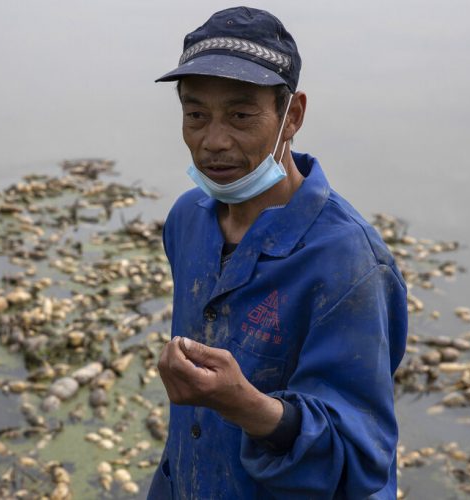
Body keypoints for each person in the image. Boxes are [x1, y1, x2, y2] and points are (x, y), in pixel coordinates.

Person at [150, 6, 408, 499]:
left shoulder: (349, 262)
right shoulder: (188, 221)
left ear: (292, 115)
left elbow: (361, 461)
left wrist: (242, 403)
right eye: (195, 114)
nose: (213, 141)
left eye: (242, 115)